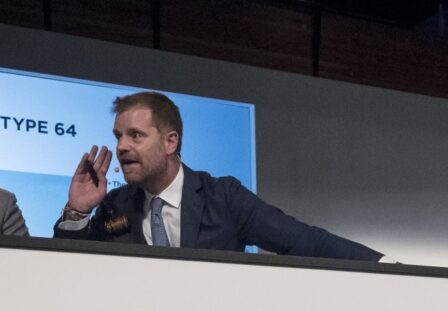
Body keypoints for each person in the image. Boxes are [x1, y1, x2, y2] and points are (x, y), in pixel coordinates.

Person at [54, 91, 387, 261]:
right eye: (118, 136)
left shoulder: (222, 196)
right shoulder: (115, 204)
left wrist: (388, 266)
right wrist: (78, 211)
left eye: (136, 136)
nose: (122, 146)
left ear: (171, 142)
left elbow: (303, 241)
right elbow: (74, 271)